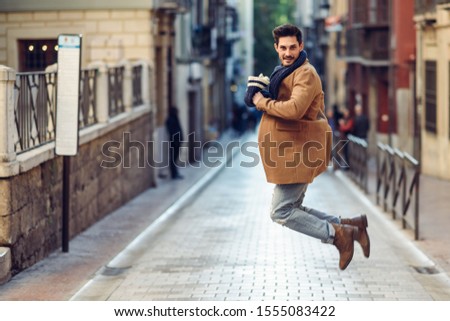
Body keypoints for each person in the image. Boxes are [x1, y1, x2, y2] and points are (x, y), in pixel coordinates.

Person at [248, 23, 370, 270]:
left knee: (281, 212)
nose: (288, 52)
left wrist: (262, 102)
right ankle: (352, 226)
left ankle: (338, 234)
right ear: (276, 48)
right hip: (291, 151)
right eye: (283, 48)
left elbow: (294, 109)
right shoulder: (284, 71)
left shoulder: (305, 73)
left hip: (299, 151)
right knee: (293, 208)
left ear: (301, 46)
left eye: (293, 47)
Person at [165, 106, 184, 179]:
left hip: (177, 142)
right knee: (173, 159)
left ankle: (176, 173)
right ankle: (174, 174)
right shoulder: (170, 120)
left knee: (175, 158)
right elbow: (172, 131)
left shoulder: (175, 118)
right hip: (174, 143)